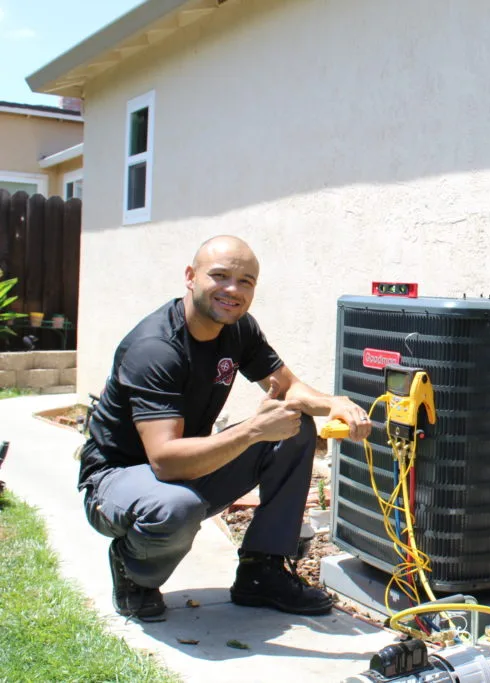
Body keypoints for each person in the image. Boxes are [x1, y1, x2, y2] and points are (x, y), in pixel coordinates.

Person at [77, 235, 372, 621]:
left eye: (246, 281)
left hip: (185, 466)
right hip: (118, 481)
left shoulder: (238, 329)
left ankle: (261, 570)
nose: (233, 290)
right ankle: (135, 570)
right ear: (190, 276)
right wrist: (252, 430)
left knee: (295, 426)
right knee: (175, 507)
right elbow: (165, 462)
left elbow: (287, 387)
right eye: (220, 276)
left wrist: (333, 403)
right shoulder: (155, 348)